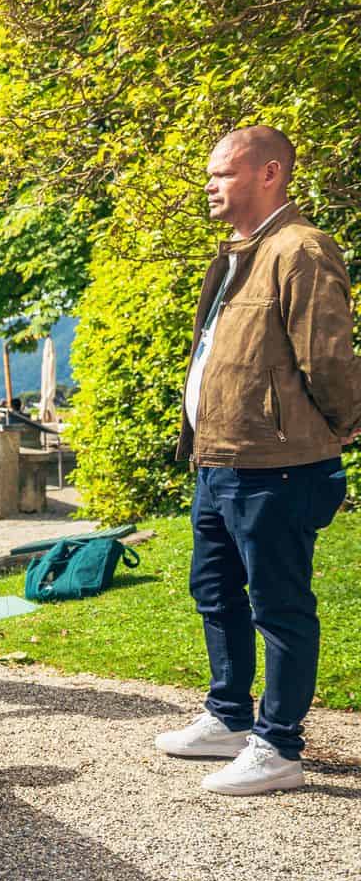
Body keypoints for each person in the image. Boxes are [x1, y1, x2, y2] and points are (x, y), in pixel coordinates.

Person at [153, 125, 361, 796]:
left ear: (269, 174)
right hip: (220, 461)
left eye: (222, 173)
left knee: (279, 603)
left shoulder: (301, 250)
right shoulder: (241, 254)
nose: (209, 184)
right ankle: (229, 717)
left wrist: (339, 428)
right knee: (214, 591)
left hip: (277, 466)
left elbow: (328, 359)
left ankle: (279, 746)